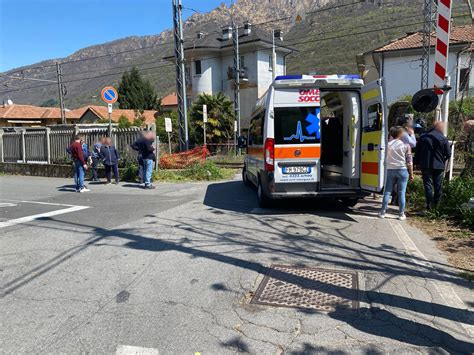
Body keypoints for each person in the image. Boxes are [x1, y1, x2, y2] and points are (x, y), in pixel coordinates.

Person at [379, 126, 414, 220]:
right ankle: (401, 214)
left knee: (387, 192)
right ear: (400, 134)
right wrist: (411, 173)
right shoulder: (406, 146)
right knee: (401, 193)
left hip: (390, 169)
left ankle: (382, 212)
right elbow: (409, 162)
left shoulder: (387, 145)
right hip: (402, 170)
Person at [416, 121, 451, 210]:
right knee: (438, 185)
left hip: (425, 165)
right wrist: (442, 159)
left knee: (428, 185)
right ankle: (436, 205)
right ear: (441, 128)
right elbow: (448, 154)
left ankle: (429, 205)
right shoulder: (443, 139)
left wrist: (417, 163)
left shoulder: (423, 137)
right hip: (439, 165)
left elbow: (417, 152)